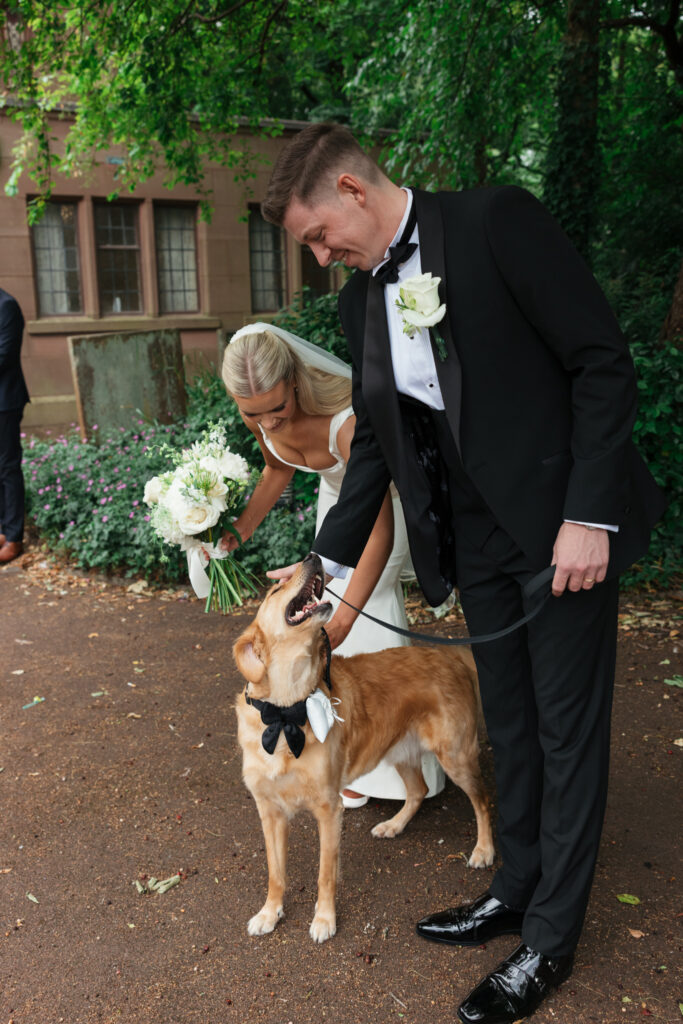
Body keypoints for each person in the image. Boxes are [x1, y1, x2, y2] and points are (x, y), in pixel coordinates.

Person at [261, 123, 666, 1024]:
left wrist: (588, 515)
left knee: (566, 740)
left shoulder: (495, 224)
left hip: (563, 534)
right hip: (474, 546)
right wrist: (322, 564)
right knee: (511, 727)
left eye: (320, 234)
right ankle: (514, 887)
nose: (322, 256)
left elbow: (601, 361)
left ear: (354, 191)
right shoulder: (361, 303)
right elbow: (375, 447)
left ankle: (548, 942)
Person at [220, 322, 445, 807]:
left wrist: (345, 616)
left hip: (379, 513)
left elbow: (378, 532)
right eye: (254, 414)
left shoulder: (344, 421)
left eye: (277, 408)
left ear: (295, 384)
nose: (269, 423)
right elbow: (278, 466)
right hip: (334, 514)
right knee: (328, 630)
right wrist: (238, 530)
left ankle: (403, 757)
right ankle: (347, 758)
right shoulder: (259, 412)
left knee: (360, 616)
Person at [0, 287, 29, 565]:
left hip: (5, 402)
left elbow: (4, 355)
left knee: (8, 467)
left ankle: (14, 538)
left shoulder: (7, 305)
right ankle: (2, 529)